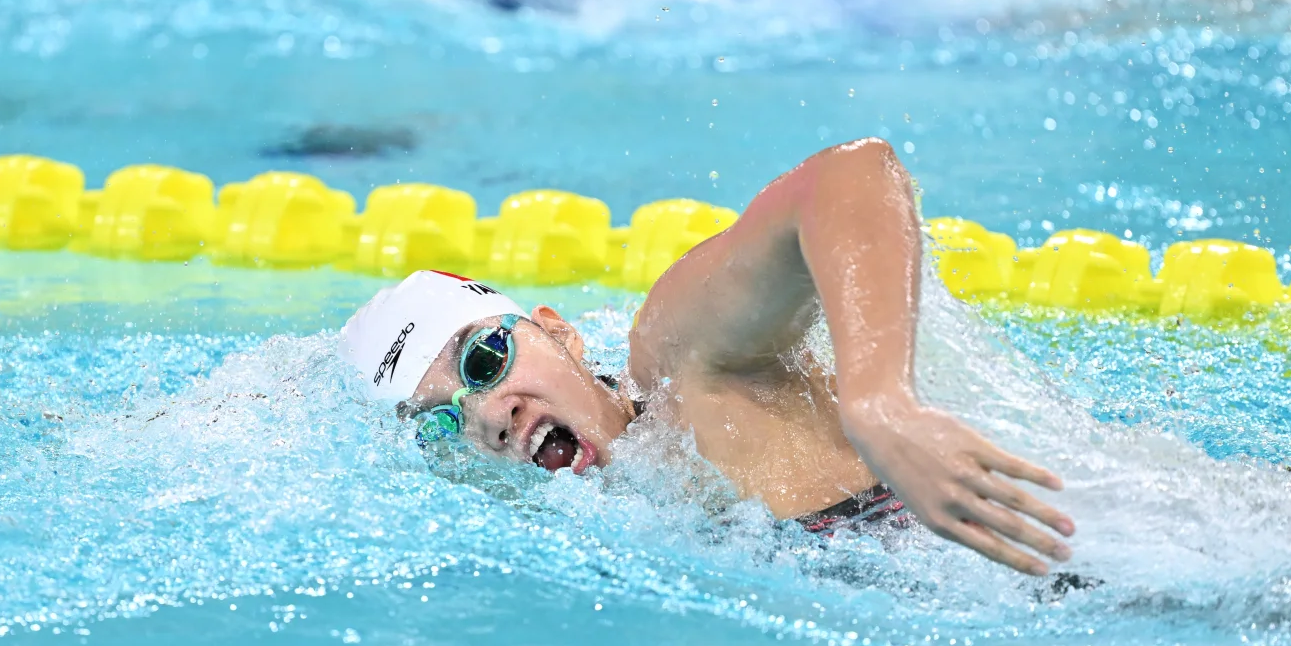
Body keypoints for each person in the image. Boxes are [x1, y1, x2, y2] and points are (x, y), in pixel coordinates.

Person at [338, 137, 1080, 577]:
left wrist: (881, 400)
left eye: (483, 361)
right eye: (441, 425)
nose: (487, 418)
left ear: (559, 333)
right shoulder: (624, 529)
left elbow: (851, 175)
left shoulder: (679, 362)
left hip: (1090, 556)